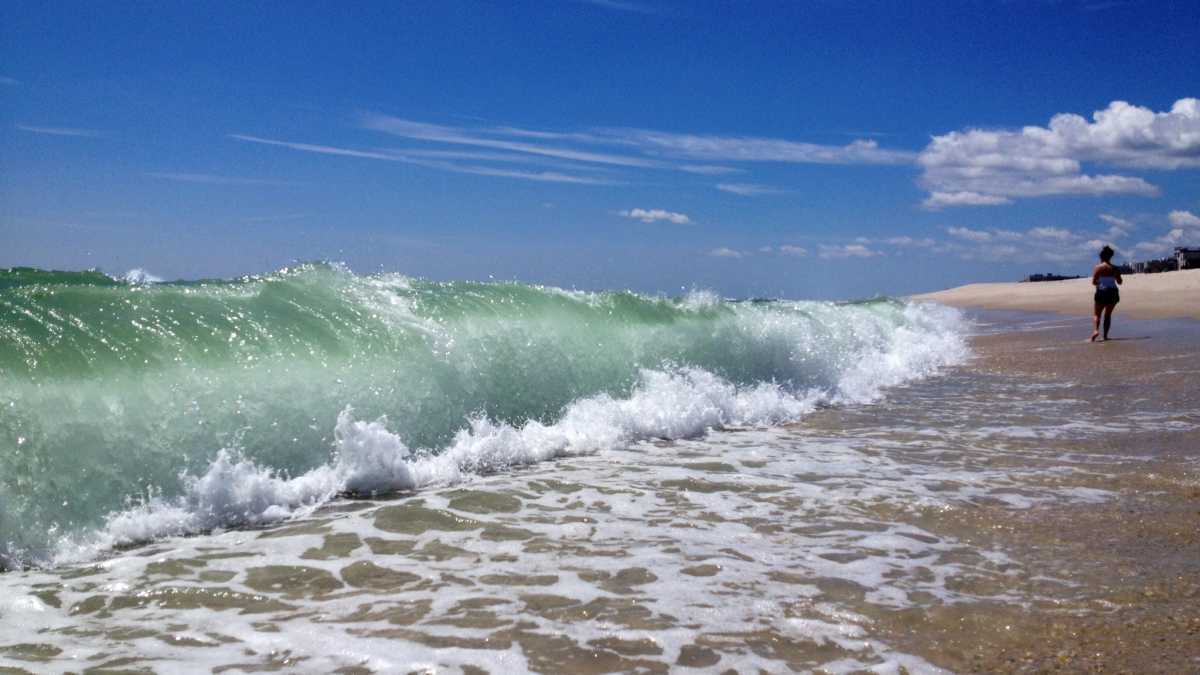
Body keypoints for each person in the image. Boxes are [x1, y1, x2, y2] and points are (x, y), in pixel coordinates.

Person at [1090, 245, 1122, 342]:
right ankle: (1105, 336)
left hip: (1102, 292)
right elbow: (1120, 282)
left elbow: (1094, 282)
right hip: (1113, 292)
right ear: (1110, 256)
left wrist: (1100, 283)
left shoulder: (1098, 267)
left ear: (1101, 256)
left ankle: (1096, 330)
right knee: (1107, 315)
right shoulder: (1115, 268)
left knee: (1097, 314)